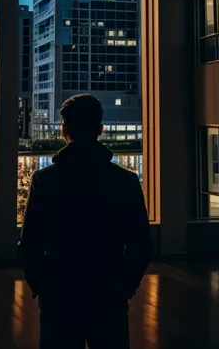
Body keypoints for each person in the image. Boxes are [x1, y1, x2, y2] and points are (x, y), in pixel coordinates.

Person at [19, 94, 151, 349]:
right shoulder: (125, 181)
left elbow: (30, 243)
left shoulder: (45, 180)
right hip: (107, 288)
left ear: (63, 130)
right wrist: (125, 287)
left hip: (60, 291)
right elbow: (140, 242)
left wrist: (42, 286)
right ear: (100, 129)